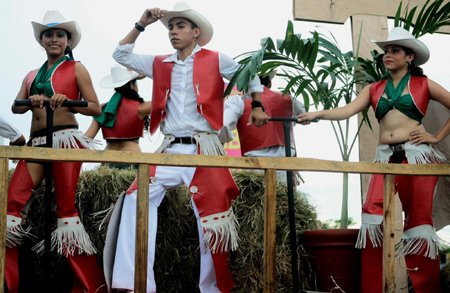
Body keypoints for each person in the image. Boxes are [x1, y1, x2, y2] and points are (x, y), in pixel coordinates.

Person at [109, 2, 268, 292]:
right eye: (170, 27)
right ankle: (134, 284)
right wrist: (141, 24)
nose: (173, 31)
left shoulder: (217, 58)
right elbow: (121, 54)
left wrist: (256, 105)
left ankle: (212, 289)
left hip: (203, 148)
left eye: (180, 26)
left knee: (211, 218)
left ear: (196, 32)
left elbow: (250, 75)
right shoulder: (160, 63)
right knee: (134, 198)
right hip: (169, 149)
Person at [297, 27, 450, 293]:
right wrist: (317, 113)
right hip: (384, 158)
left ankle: (427, 289)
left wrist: (435, 137)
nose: (387, 55)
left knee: (419, 223)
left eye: (395, 51)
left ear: (409, 57)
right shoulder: (374, 88)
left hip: (417, 157)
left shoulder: (424, 85)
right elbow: (347, 110)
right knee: (372, 218)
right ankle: (372, 289)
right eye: (385, 51)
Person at [6, 10, 107, 292]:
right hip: (36, 143)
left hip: (64, 141)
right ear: (41, 40)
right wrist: (32, 100)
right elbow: (15, 106)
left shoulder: (76, 68)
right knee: (10, 204)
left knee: (66, 212)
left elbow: (96, 108)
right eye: (48, 34)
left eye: (60, 34)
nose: (54, 39)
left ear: (68, 40)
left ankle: (88, 287)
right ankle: (10, 283)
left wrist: (68, 101)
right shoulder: (30, 74)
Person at [219, 71, 308, 183]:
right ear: (269, 84)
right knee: (285, 198)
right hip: (285, 164)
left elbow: (225, 125)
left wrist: (220, 144)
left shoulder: (238, 100)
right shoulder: (288, 98)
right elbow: (305, 117)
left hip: (254, 163)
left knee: (255, 198)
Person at [85, 63, 151, 167]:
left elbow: (87, 138)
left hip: (108, 164)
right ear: (132, 85)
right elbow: (164, 100)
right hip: (132, 161)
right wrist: (148, 73)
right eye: (136, 83)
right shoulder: (141, 108)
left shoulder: (102, 109)